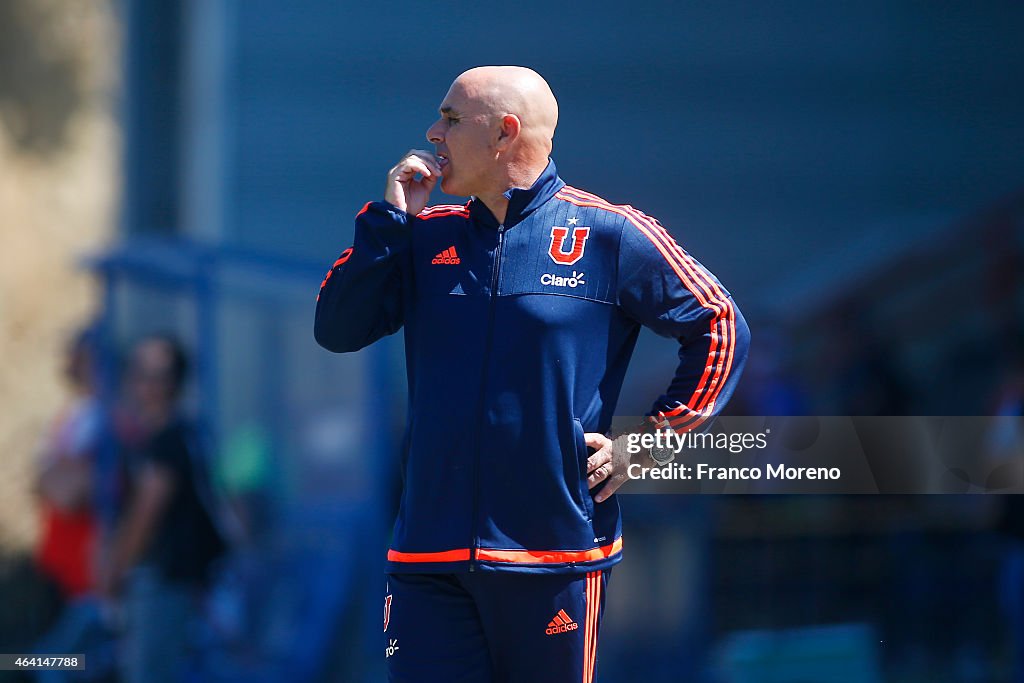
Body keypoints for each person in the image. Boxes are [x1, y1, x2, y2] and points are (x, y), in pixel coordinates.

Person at [314, 66, 749, 683]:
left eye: (452, 119)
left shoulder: (609, 234)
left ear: (504, 134)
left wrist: (655, 438)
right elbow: (336, 329)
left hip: (554, 557)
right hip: (427, 557)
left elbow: (720, 325)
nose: (433, 133)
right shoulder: (420, 235)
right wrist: (389, 225)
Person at [97, 334, 225, 683]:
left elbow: (145, 515)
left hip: (163, 582)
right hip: (177, 581)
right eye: (139, 372)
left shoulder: (168, 440)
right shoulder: (182, 433)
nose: (146, 385)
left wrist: (115, 569)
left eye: (158, 376)